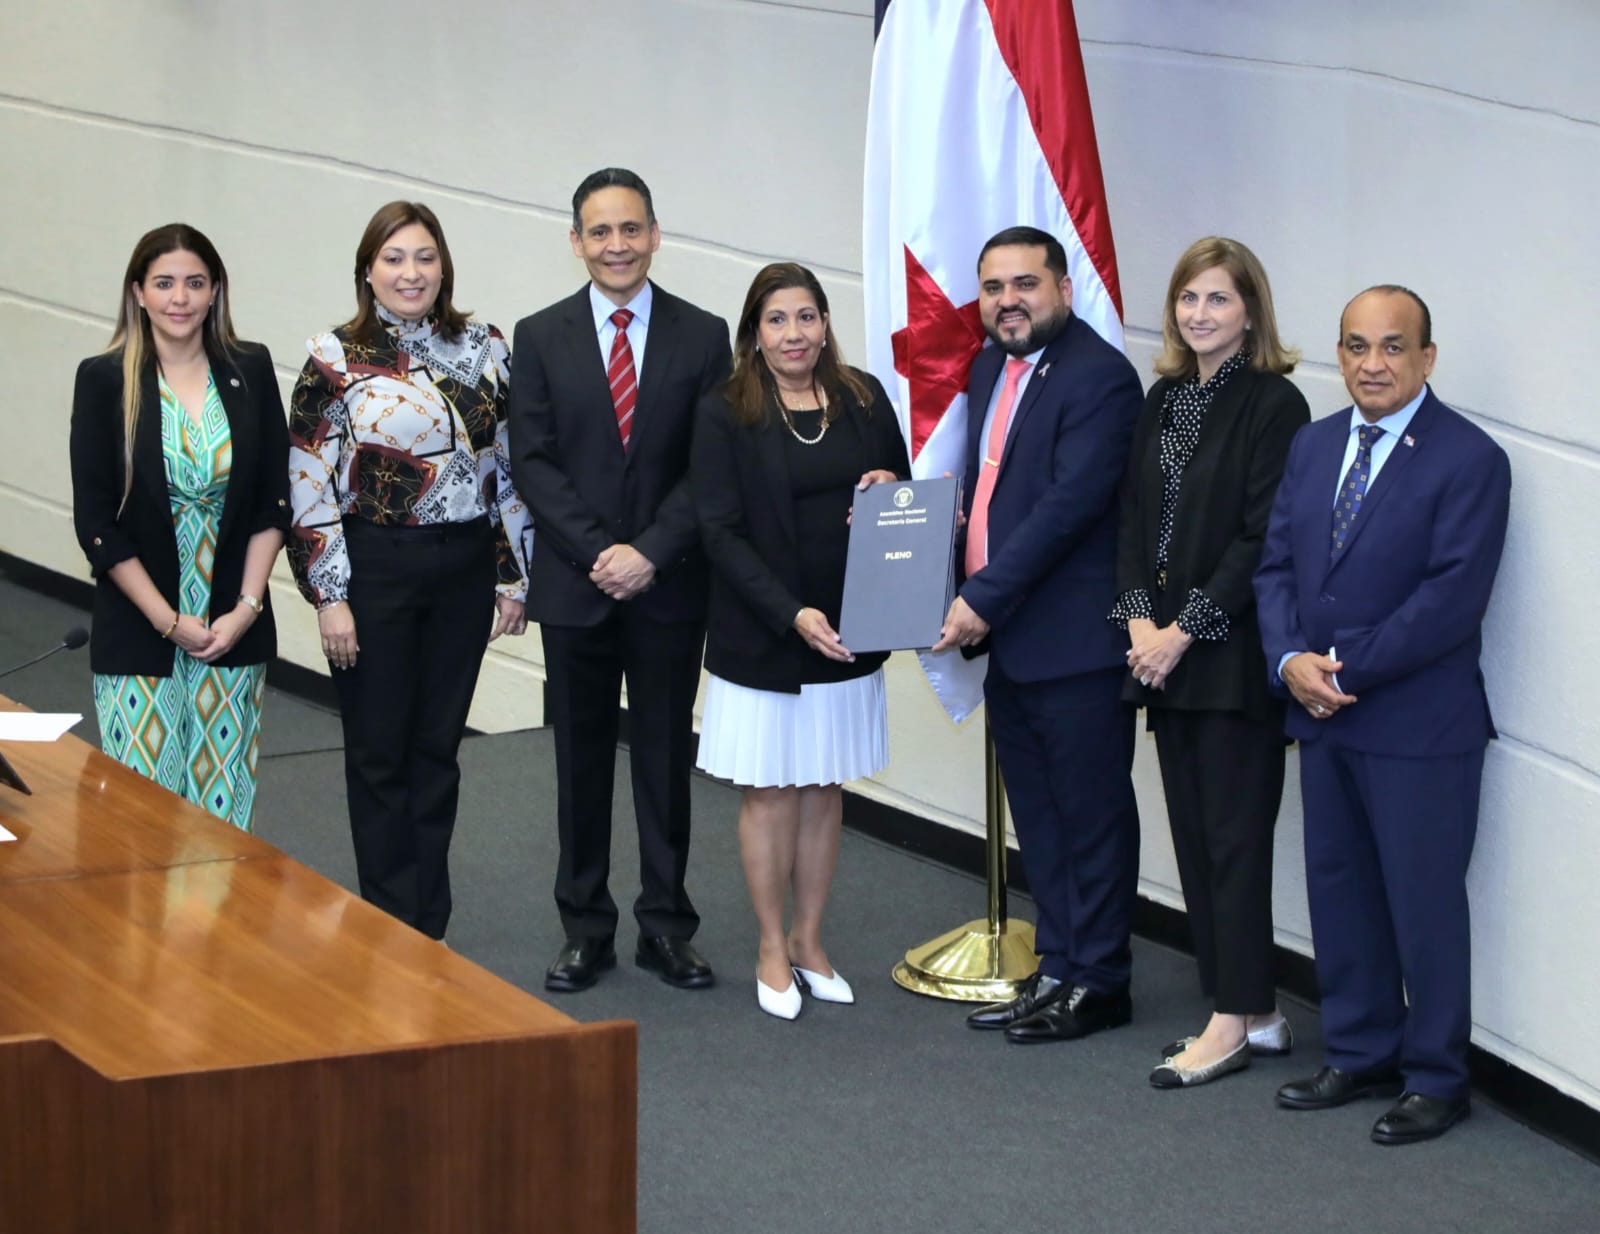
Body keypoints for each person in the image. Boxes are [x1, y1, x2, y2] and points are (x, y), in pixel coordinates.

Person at [1254, 285, 1511, 1145]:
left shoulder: (1470, 460)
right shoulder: (1315, 443)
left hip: (1419, 729)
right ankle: (1360, 1051)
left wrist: (1343, 670)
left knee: (1422, 903)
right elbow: (1277, 565)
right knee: (1341, 892)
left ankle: (1437, 1077)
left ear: (1427, 358)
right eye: (1356, 347)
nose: (1372, 364)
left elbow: (1450, 601)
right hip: (1322, 713)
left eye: (1393, 347)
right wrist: (1290, 660)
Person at [508, 168, 731, 993]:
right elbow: (532, 459)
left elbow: (710, 466)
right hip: (575, 585)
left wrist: (649, 552)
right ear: (576, 242)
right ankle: (585, 928)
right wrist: (601, 551)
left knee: (666, 761)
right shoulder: (540, 335)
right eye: (599, 232)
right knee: (581, 763)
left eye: (630, 229)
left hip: (668, 586)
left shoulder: (704, 336)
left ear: (655, 234)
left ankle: (667, 927)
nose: (616, 245)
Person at [287, 201, 531, 941]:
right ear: (368, 270)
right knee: (379, 752)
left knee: (437, 750)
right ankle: (387, 925)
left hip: (461, 569)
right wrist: (330, 598)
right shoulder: (333, 360)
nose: (411, 272)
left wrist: (513, 575)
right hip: (375, 568)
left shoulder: (487, 347)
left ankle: (429, 927)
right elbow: (307, 484)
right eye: (394, 258)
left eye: (424, 257)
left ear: (443, 267)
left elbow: (508, 470)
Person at [932, 225, 1144, 1043]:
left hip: (1074, 644)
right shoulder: (992, 365)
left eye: (1025, 283)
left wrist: (981, 597)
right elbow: (991, 494)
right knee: (1041, 818)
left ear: (1062, 287)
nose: (1008, 301)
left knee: (1090, 815)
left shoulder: (1101, 380)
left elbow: (1066, 509)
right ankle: (1056, 965)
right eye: (993, 287)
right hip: (1013, 643)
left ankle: (1102, 978)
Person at [1108, 237, 1309, 1087]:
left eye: (1218, 300)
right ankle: (1253, 1008)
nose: (1200, 315)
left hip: (1226, 663)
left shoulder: (1275, 405)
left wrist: (1181, 630)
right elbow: (1131, 523)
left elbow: (1260, 540)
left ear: (1251, 312)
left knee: (1233, 843)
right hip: (1160, 659)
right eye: (1189, 299)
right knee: (1193, 837)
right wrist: (1138, 629)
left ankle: (1228, 1020)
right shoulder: (1162, 397)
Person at [692, 262, 909, 1020]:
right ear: (755, 330)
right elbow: (717, 531)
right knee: (773, 790)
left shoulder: (862, 396)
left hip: (850, 628)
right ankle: (771, 946)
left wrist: (887, 485)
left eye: (808, 316)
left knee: (824, 788)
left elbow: (904, 495)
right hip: (768, 632)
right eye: (778, 319)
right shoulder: (725, 410)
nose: (795, 333)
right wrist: (791, 614)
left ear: (825, 324)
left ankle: (812, 941)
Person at [70, 223, 289, 832]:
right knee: (141, 822)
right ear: (138, 292)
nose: (180, 298)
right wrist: (168, 622)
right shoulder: (104, 379)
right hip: (142, 629)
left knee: (220, 821)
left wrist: (244, 610)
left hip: (229, 630)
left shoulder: (250, 367)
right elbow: (96, 525)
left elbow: (275, 501)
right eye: (164, 283)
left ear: (215, 291)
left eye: (194, 283)